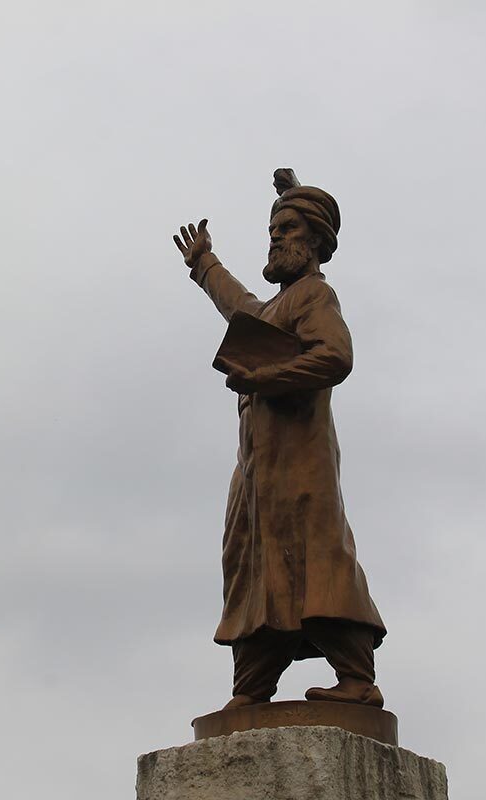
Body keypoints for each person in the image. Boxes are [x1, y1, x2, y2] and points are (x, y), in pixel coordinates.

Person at [173, 169, 387, 712]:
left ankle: (357, 676)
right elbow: (241, 308)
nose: (274, 237)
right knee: (254, 567)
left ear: (314, 241)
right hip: (257, 474)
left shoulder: (314, 294)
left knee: (316, 560)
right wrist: (204, 265)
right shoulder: (275, 308)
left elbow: (336, 356)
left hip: (300, 465)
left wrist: (264, 377)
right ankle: (252, 685)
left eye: (287, 228)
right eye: (272, 227)